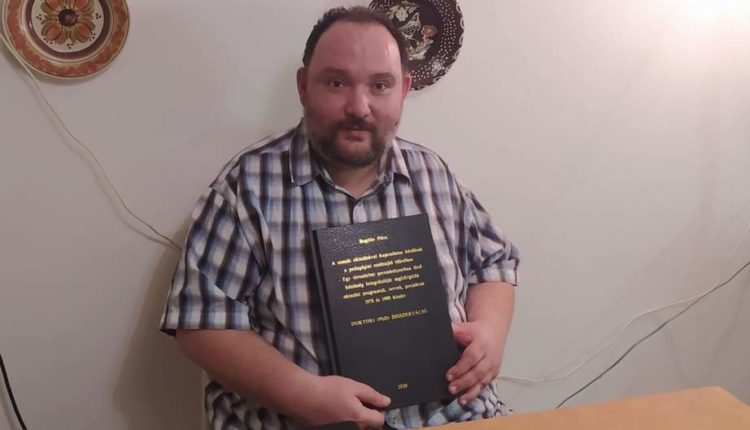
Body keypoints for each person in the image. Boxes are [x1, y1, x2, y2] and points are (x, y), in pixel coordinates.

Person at [160, 6, 519, 430]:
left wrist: (490, 331)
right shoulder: (247, 186)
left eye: (380, 85)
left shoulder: (434, 174)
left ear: (403, 90)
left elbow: (494, 263)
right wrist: (301, 394)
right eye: (336, 82)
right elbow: (201, 322)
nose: (359, 107)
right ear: (303, 86)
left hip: (453, 416)